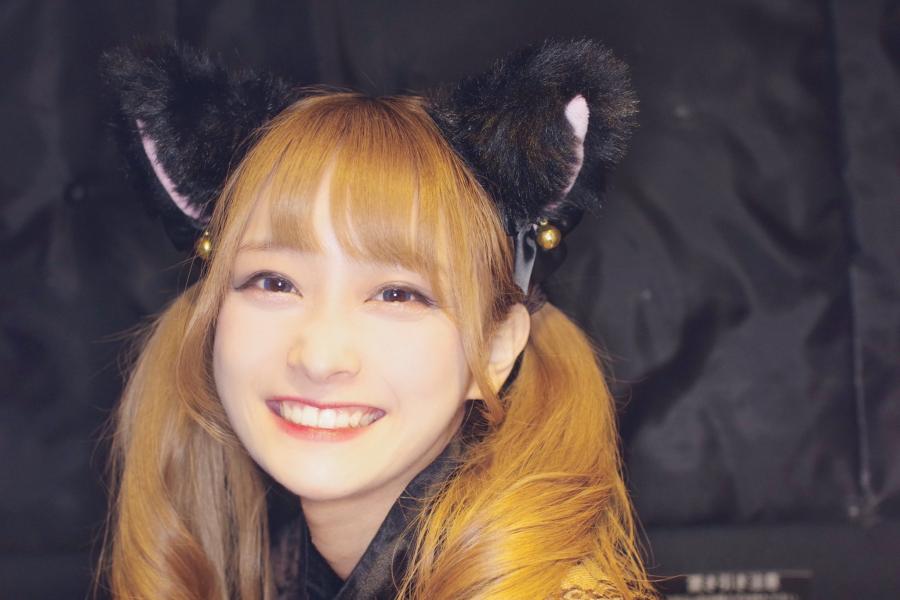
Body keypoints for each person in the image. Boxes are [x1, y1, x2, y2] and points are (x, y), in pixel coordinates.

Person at [93, 39, 656, 599]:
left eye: (397, 295)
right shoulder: (274, 572)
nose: (319, 358)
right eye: (274, 283)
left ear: (495, 346)